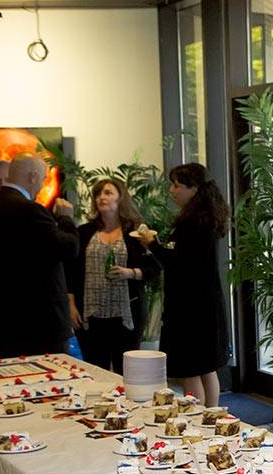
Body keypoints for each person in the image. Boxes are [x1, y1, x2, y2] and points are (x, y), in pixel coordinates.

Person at [0, 153, 79, 358]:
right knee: (47, 385)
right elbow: (68, 249)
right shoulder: (32, 211)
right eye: (44, 179)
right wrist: (65, 219)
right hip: (40, 324)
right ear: (33, 176)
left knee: (3, 384)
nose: (42, 185)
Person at [137, 163, 230, 406]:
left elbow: (179, 263)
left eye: (177, 185)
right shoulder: (208, 218)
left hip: (190, 307)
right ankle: (212, 417)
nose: (171, 190)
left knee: (191, 370)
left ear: (194, 189)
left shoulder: (192, 223)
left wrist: (152, 245)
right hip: (205, 303)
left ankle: (198, 421)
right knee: (207, 368)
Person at [65, 178, 161, 372]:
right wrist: (71, 304)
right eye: (98, 194)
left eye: (108, 193)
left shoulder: (136, 233)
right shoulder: (84, 232)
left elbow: (155, 268)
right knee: (95, 370)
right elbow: (71, 271)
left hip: (126, 315)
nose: (102, 197)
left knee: (125, 371)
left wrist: (130, 273)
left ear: (121, 198)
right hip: (90, 316)